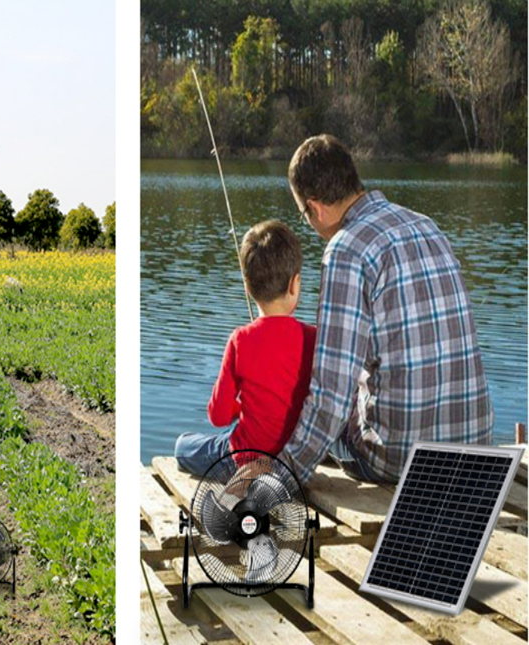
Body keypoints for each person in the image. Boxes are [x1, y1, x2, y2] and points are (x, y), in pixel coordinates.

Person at [282, 134, 493, 485]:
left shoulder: (345, 250)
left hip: (401, 462)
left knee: (311, 405)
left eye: (305, 216)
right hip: (475, 452)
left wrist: (281, 474)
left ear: (315, 207)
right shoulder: (427, 225)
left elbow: (331, 396)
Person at [174, 220, 316, 476]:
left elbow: (217, 416)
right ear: (295, 284)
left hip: (244, 460)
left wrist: (239, 408)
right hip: (291, 461)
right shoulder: (313, 338)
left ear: (248, 286)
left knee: (183, 446)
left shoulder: (240, 340)